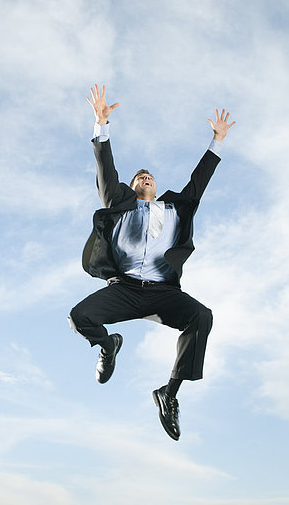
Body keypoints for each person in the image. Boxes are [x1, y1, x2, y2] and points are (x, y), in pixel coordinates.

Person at [69, 84, 235, 441]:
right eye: (138, 176)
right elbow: (106, 167)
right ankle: (108, 345)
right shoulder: (121, 201)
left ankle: (169, 393)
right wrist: (102, 125)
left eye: (150, 176)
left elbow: (199, 181)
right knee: (78, 317)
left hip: (161, 293)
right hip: (125, 289)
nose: (145, 177)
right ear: (130, 187)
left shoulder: (175, 208)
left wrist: (217, 141)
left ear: (156, 186)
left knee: (201, 317)